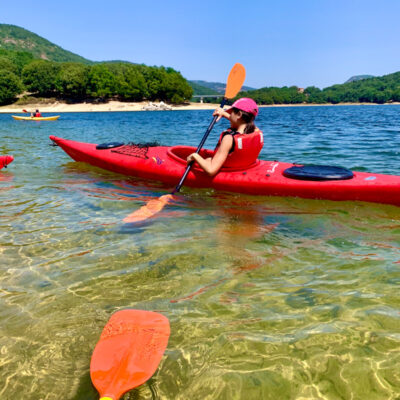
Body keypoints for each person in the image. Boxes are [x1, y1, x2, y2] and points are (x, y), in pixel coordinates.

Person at [186, 98, 263, 176]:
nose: (230, 115)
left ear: (239, 114)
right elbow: (243, 122)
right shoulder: (256, 131)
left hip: (229, 170)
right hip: (244, 167)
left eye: (231, 112)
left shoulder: (229, 139)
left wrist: (194, 156)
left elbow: (211, 170)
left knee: (207, 160)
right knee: (209, 159)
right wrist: (223, 113)